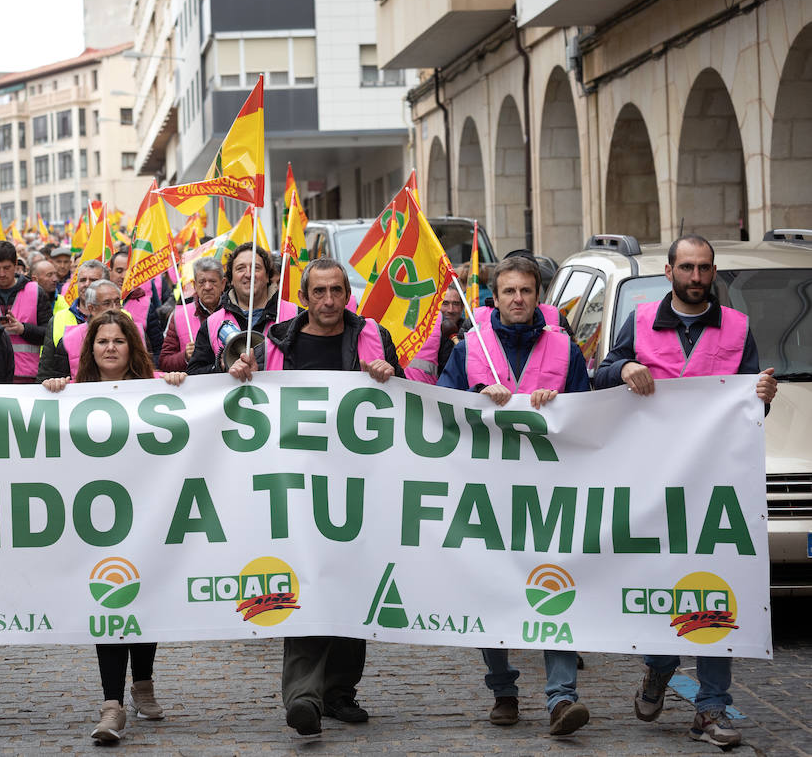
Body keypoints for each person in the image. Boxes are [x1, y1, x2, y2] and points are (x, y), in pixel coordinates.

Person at [594, 235, 777, 750]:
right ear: (669, 270)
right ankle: (659, 665)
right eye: (687, 268)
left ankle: (710, 710)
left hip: (717, 485)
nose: (697, 278)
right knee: (665, 584)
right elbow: (600, 376)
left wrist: (763, 395)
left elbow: (748, 405)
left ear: (713, 272)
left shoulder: (737, 328)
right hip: (655, 484)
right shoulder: (642, 321)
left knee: (719, 588)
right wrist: (624, 367)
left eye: (704, 269)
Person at [226, 258, 399, 736]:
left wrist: (388, 373)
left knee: (351, 583)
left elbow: (402, 402)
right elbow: (244, 397)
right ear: (304, 297)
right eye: (318, 291)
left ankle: (341, 691)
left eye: (336, 291)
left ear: (348, 295)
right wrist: (243, 374)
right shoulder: (277, 339)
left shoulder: (371, 336)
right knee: (301, 582)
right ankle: (303, 697)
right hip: (295, 484)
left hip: (357, 483)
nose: (327, 300)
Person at [437, 256, 593, 736]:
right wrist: (474, 399)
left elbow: (590, 413)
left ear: (538, 296)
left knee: (557, 584)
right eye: (509, 292)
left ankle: (562, 698)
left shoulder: (565, 349)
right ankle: (503, 688)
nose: (518, 300)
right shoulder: (470, 349)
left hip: (549, 491)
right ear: (494, 298)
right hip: (486, 491)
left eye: (526, 291)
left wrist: (561, 403)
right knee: (493, 590)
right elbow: (440, 406)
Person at [44, 309, 186, 742]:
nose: (109, 348)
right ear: (91, 349)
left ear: (132, 348)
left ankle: (143, 684)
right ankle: (112, 706)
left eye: (118, 341)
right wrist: (52, 391)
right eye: (102, 341)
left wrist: (179, 388)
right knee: (108, 601)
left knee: (142, 597)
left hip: (148, 510)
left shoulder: (155, 390)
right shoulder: (73, 394)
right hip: (98, 519)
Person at [186, 243, 296, 375]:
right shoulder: (211, 324)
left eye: (256, 267)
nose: (249, 274)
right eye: (240, 268)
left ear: (267, 276)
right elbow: (195, 374)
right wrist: (221, 367)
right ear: (231, 280)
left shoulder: (296, 316)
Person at [39, 279, 149, 381]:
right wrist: (55, 384)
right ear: (91, 309)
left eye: (117, 302)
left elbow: (148, 372)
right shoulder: (69, 340)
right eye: (107, 303)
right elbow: (52, 377)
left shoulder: (137, 333)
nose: (114, 308)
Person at [0, 240, 54, 383]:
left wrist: (23, 329)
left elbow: (49, 335)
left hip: (27, 376)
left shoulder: (35, 291)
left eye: (7, 268)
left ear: (16, 264)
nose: (2, 273)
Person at [159, 257, 224, 372]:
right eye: (202, 282)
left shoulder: (235, 312)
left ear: (223, 284)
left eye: (213, 281)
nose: (207, 287)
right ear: (194, 285)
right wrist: (184, 356)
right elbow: (164, 362)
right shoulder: (179, 316)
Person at [108, 249, 164, 359]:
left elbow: (158, 348)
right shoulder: (97, 302)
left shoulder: (146, 305)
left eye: (128, 271)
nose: (124, 276)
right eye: (119, 271)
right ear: (110, 272)